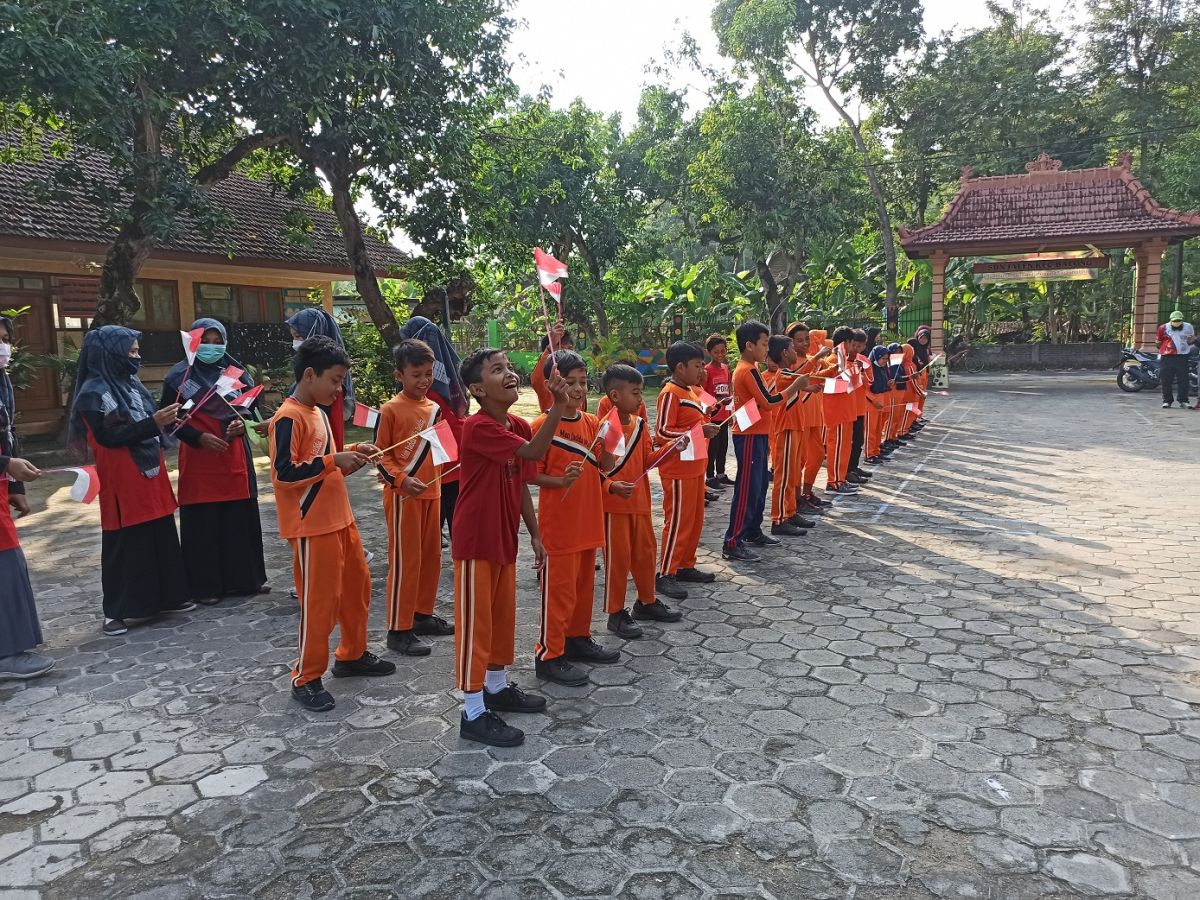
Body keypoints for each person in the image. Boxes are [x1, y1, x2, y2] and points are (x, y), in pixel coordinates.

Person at [268, 336, 394, 712]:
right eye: (335, 381)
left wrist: (353, 451)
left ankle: (351, 655)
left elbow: (325, 457)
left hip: (340, 519)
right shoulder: (287, 418)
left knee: (357, 591)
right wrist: (332, 461)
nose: (339, 390)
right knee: (320, 604)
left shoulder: (318, 412)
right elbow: (283, 474)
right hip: (311, 528)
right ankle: (306, 677)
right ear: (310, 375)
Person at [452, 347, 568, 747]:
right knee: (475, 625)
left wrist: (534, 533)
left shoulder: (516, 424)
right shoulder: (477, 426)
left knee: (502, 618)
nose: (510, 374)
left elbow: (521, 480)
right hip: (475, 540)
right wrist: (557, 405)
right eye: (496, 370)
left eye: (508, 367)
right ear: (477, 389)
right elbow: (536, 452)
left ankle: (496, 688)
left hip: (503, 536)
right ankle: (472, 711)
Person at [67, 326, 194, 636]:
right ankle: (118, 610)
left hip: (149, 470)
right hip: (122, 476)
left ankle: (166, 598)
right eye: (132, 352)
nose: (137, 358)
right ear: (111, 354)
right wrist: (154, 423)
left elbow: (146, 422)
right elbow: (108, 437)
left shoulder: (131, 384)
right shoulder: (94, 392)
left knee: (159, 534)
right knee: (125, 542)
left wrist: (167, 420)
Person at [162, 318, 268, 605]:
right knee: (204, 523)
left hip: (233, 454)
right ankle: (206, 586)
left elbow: (249, 408)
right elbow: (168, 419)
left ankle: (245, 581)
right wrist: (197, 437)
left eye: (216, 340)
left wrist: (239, 423)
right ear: (193, 341)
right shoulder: (178, 377)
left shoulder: (237, 373)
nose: (211, 347)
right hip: (199, 457)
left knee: (238, 518)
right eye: (204, 341)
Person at [530, 351, 619, 686]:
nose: (579, 389)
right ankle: (549, 654)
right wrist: (559, 480)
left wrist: (613, 442)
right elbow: (530, 474)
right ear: (555, 385)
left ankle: (578, 639)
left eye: (583, 382)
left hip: (589, 521)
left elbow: (605, 467)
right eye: (570, 383)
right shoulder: (542, 425)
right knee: (559, 593)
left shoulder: (592, 423)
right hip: (559, 527)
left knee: (583, 588)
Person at [376, 339, 454, 658]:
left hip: (432, 491)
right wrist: (402, 479)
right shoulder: (390, 409)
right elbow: (381, 457)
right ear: (399, 375)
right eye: (415, 375)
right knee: (406, 562)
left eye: (427, 374)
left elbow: (445, 450)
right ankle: (398, 628)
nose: (423, 381)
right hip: (402, 497)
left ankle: (421, 615)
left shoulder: (434, 408)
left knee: (431, 558)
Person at [599, 364, 680, 638]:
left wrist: (672, 447)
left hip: (640, 503)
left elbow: (647, 460)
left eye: (640, 393)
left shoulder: (640, 424)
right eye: (635, 393)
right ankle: (615, 612)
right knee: (617, 560)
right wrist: (610, 486)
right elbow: (601, 468)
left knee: (645, 554)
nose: (640, 400)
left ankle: (646, 601)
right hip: (615, 507)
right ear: (614, 395)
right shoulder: (605, 427)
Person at [724, 322, 805, 561]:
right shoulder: (747, 370)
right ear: (749, 346)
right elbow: (768, 402)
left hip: (757, 432)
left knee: (758, 487)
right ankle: (732, 540)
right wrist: (795, 387)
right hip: (748, 435)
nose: (767, 349)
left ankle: (752, 530)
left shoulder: (752, 368)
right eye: (764, 344)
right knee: (747, 489)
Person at [0, 316, 53, 680]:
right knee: (6, 566)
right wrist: (6, 463)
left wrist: (14, 485)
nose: (3, 347)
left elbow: (8, 429)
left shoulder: (2, 380)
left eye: (5, 339)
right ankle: (7, 652)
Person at [655, 341, 719, 599]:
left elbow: (703, 413)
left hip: (695, 466)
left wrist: (711, 414)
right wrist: (698, 431)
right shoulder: (670, 393)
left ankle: (685, 564)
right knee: (678, 521)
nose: (701, 370)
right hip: (678, 470)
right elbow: (661, 432)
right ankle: (665, 573)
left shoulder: (692, 390)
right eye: (697, 365)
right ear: (680, 367)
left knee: (693, 521)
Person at [399, 316, 469, 539]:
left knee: (441, 519)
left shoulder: (426, 384)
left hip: (440, 456)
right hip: (448, 454)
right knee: (451, 516)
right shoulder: (444, 374)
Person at [766, 336, 816, 537]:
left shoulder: (787, 374)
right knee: (784, 477)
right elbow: (801, 376)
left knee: (793, 474)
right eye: (792, 348)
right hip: (786, 429)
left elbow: (800, 379)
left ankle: (790, 511)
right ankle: (778, 519)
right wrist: (818, 358)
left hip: (795, 428)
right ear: (785, 353)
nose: (796, 352)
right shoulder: (782, 374)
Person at [786, 323, 832, 514]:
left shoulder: (811, 359)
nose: (805, 343)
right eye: (799, 340)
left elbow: (816, 376)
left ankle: (807, 492)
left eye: (807, 339)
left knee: (818, 454)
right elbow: (799, 376)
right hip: (801, 416)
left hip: (814, 416)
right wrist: (819, 358)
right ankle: (796, 499)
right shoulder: (791, 361)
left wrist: (831, 367)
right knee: (799, 460)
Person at [821, 327, 859, 496]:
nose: (853, 348)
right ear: (846, 343)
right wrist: (848, 372)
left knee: (844, 447)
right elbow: (829, 386)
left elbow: (852, 386)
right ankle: (834, 482)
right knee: (836, 447)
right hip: (837, 412)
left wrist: (854, 371)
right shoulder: (833, 360)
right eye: (852, 343)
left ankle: (840, 479)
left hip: (846, 411)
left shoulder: (844, 360)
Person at [703, 334, 734, 489]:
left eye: (723, 351)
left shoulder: (725, 369)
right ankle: (710, 476)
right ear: (709, 352)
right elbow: (701, 393)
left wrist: (729, 412)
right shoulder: (706, 371)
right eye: (716, 352)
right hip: (712, 417)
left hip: (723, 416)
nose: (720, 354)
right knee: (712, 448)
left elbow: (728, 390)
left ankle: (721, 474)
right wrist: (716, 404)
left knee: (723, 446)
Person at [531, 323, 575, 412]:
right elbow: (537, 380)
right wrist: (550, 349)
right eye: (563, 344)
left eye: (570, 345)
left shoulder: (575, 373)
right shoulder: (549, 382)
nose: (570, 347)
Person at [1157, 311, 1196, 409]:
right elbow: (1158, 343)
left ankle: (1183, 400)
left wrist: (1189, 343)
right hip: (1167, 357)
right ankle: (1167, 401)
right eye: (1175, 322)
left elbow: (1191, 339)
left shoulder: (1188, 327)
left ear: (1182, 320)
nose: (1177, 324)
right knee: (1166, 380)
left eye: (1179, 321)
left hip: (1182, 357)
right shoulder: (1163, 328)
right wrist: (1167, 349)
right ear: (1170, 320)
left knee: (1184, 380)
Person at [863, 345, 893, 465]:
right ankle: (869, 454)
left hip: (881, 402)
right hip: (871, 404)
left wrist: (889, 385)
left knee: (878, 429)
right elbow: (864, 389)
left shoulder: (883, 369)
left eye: (887, 359)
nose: (885, 361)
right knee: (871, 430)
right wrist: (874, 401)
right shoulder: (869, 369)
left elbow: (882, 386)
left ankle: (876, 451)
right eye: (883, 359)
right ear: (877, 357)